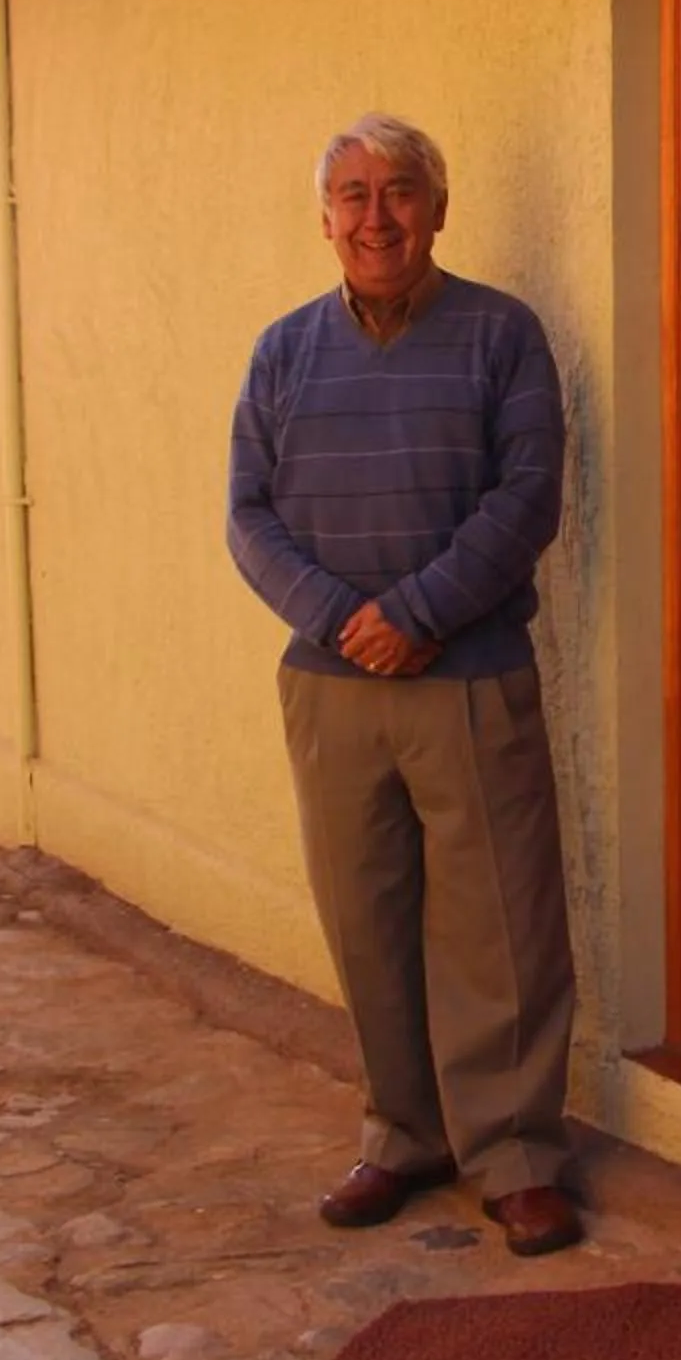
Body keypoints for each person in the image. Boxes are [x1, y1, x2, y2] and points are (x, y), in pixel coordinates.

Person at [225, 112, 582, 1257]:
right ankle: (403, 1134)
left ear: (438, 206)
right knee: (366, 918)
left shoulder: (502, 336)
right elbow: (249, 516)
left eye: (399, 191)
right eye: (352, 194)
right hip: (331, 687)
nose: (376, 216)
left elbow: (527, 496)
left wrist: (420, 612)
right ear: (323, 216)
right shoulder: (282, 353)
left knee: (501, 927)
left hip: (469, 673)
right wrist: (345, 620)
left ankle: (516, 1154)